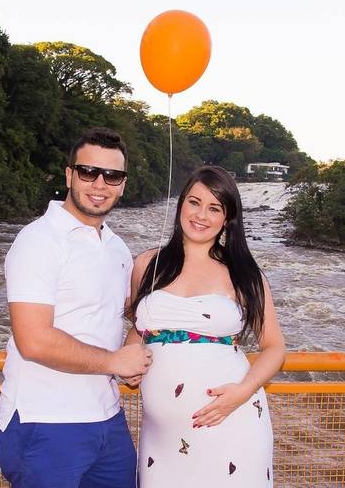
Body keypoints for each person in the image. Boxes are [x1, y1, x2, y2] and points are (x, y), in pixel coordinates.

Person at [0, 127, 152, 488]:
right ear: (69, 175)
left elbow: (128, 316)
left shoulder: (117, 248)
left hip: (107, 416)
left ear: (123, 184)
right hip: (45, 419)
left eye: (112, 175)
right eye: (88, 172)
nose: (99, 183)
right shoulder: (38, 241)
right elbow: (33, 340)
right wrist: (114, 362)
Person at [125, 166, 285, 487]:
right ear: (181, 204)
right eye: (194, 202)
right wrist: (130, 355)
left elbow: (274, 347)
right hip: (162, 435)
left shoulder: (243, 273)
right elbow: (139, 328)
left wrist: (242, 392)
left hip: (230, 419)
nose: (201, 215)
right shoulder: (146, 264)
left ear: (227, 219)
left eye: (214, 208)